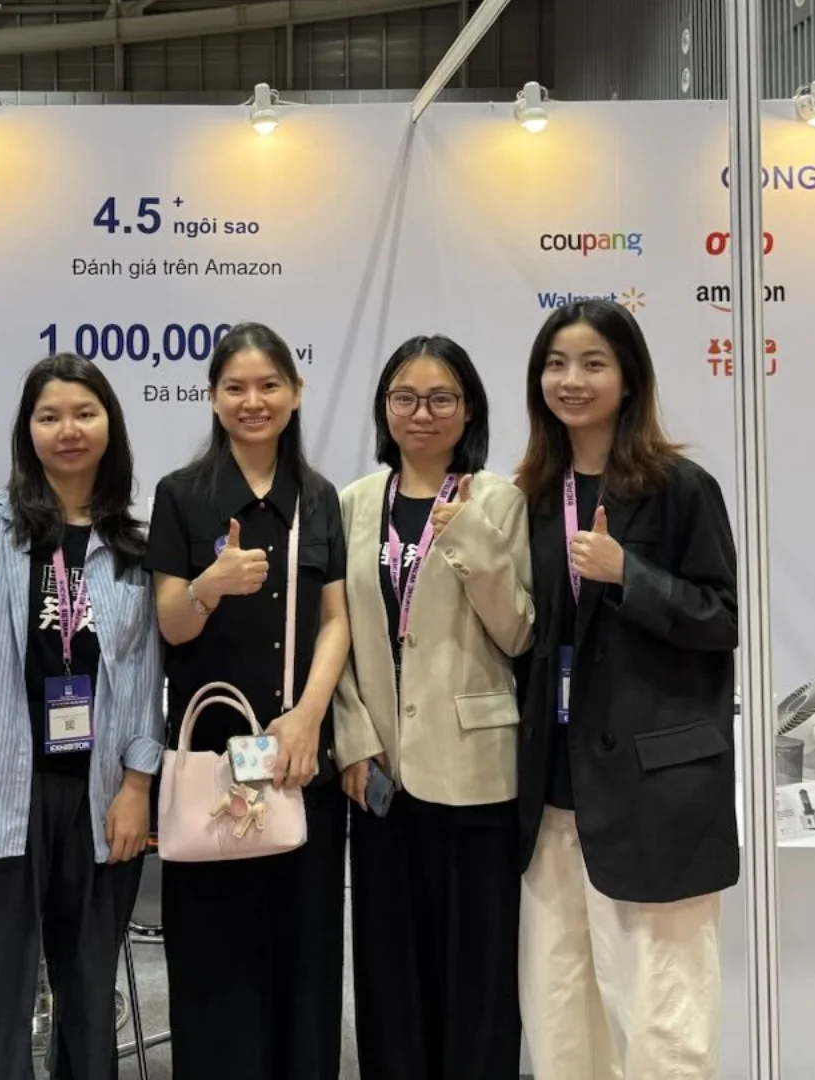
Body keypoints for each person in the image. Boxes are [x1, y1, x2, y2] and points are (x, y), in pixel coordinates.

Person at [0, 353, 163, 1080]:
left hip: (97, 794)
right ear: (28, 430)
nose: (68, 430)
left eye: (85, 413)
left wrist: (138, 785)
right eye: (49, 416)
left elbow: (146, 673)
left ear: (110, 425)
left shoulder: (132, 545)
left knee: (88, 991)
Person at [511, 299, 740, 1080]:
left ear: (630, 377)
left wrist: (627, 574)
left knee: (660, 1020)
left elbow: (720, 618)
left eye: (592, 363)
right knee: (560, 1015)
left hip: (653, 793)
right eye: (555, 364)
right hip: (553, 792)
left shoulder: (680, 488)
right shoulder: (532, 493)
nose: (570, 380)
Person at [145, 322, 351, 1080]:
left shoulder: (319, 499)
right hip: (213, 767)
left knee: (306, 950)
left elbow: (337, 622)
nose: (252, 401)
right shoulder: (181, 496)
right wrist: (209, 585)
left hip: (298, 761)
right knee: (215, 955)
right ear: (212, 398)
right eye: (235, 387)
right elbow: (171, 624)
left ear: (296, 394)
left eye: (269, 386)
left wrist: (308, 716)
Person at [331, 334, 534, 1080]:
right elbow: (334, 636)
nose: (422, 414)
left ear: (469, 408)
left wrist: (472, 541)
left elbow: (519, 631)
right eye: (406, 398)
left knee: (479, 971)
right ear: (384, 408)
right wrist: (352, 739)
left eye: (441, 398)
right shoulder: (353, 503)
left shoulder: (500, 501)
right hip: (380, 773)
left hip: (476, 768)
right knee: (390, 971)